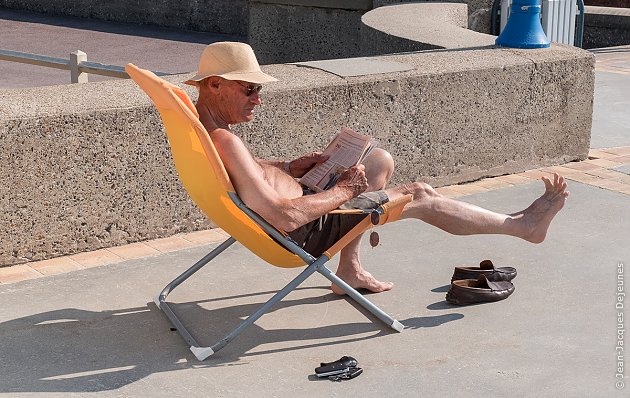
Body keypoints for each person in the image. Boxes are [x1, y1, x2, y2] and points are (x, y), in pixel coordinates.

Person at [185, 42, 569, 295]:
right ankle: (523, 227)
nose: (258, 99)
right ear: (216, 85)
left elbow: (242, 172)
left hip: (302, 206)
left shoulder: (206, 132)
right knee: (419, 193)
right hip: (305, 230)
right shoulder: (225, 140)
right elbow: (284, 217)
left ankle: (349, 269)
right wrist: (345, 192)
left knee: (378, 160)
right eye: (250, 89)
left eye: (258, 90)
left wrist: (287, 166)